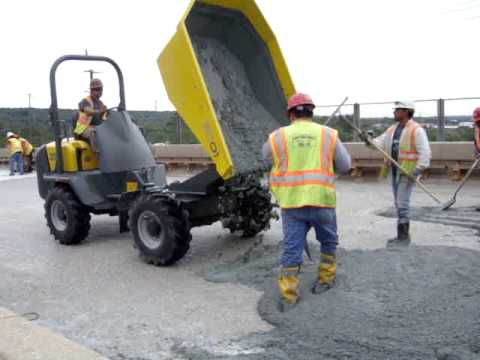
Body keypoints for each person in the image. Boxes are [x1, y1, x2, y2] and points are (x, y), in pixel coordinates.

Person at [263, 93, 351, 311]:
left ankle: (289, 296)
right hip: (322, 202)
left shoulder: (278, 136)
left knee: (292, 250)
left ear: (291, 114)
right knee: (329, 243)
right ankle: (325, 280)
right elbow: (345, 165)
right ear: (311, 112)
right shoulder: (329, 134)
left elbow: (264, 157)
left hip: (293, 205)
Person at [362, 100, 431, 245]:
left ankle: (403, 236)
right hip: (395, 172)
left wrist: (417, 170)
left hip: (408, 172)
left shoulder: (416, 130)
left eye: (397, 110)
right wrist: (368, 140)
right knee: (398, 202)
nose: (394, 112)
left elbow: (425, 153)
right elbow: (379, 144)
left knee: (402, 203)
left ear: (406, 112)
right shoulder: (392, 130)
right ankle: (402, 234)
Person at [74, 78, 108, 152]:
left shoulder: (101, 103)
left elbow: (103, 118)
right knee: (94, 133)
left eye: (100, 89)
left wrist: (105, 113)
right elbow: (88, 111)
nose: (99, 91)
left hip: (97, 127)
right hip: (83, 129)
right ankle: (98, 156)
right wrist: (99, 111)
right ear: (91, 90)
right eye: (96, 89)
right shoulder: (85, 101)